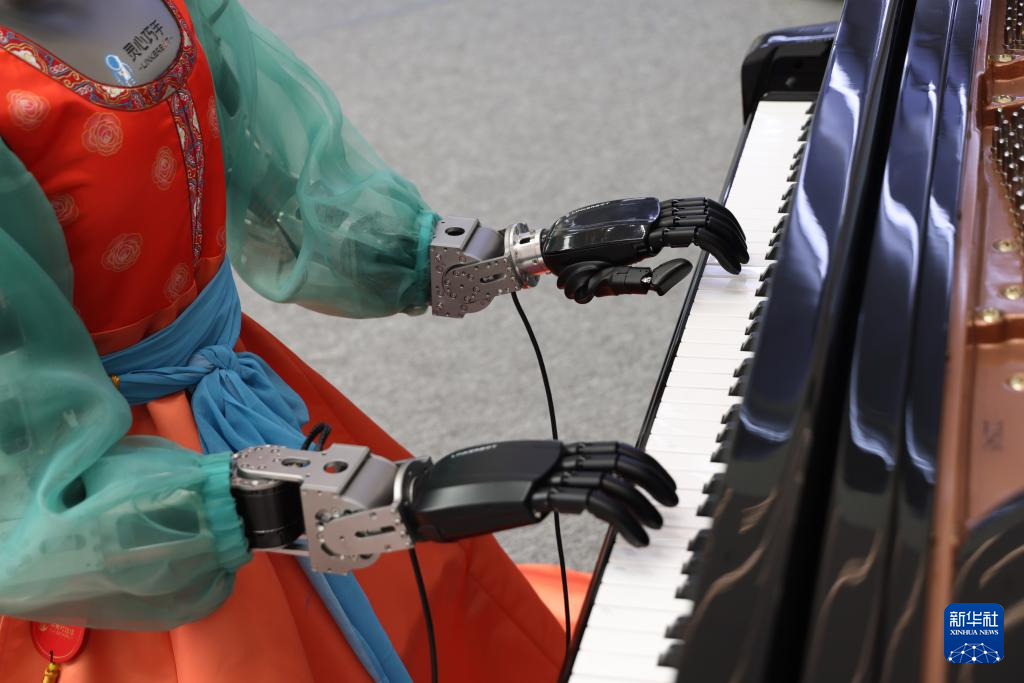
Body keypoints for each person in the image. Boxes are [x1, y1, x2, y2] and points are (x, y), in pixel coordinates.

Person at [0, 1, 596, 680]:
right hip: (101, 470)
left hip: (239, 389)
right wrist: (270, 503)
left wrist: (528, 252)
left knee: (428, 601)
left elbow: (289, 185)